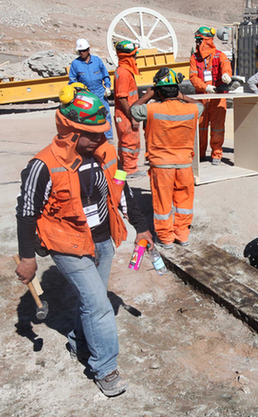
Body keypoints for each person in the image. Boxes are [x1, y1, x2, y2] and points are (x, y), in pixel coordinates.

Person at [15, 85, 154, 397]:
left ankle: (79, 342)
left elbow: (123, 190)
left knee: (92, 304)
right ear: (69, 132)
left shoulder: (106, 152)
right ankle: (105, 367)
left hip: (103, 240)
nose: (100, 139)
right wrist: (27, 258)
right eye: (92, 134)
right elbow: (26, 213)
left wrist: (141, 228)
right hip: (67, 245)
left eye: (102, 132)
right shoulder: (43, 165)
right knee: (98, 304)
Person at [131, 67, 204, 248]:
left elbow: (133, 110)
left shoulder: (152, 109)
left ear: (159, 91)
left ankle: (166, 239)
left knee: (163, 203)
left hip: (162, 165)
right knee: (184, 201)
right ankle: (183, 235)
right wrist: (182, 96)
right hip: (184, 164)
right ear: (176, 90)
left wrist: (148, 95)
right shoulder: (192, 109)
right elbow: (202, 105)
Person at [189, 26, 233, 165]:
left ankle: (216, 154)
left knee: (218, 128)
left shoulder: (219, 55)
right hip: (201, 98)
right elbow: (193, 77)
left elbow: (225, 65)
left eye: (199, 41)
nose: (197, 44)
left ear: (206, 41)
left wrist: (226, 75)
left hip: (218, 98)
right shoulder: (194, 58)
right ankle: (200, 154)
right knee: (200, 128)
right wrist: (205, 87)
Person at [69, 38, 114, 142]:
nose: (82, 53)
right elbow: (72, 81)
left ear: (89, 50)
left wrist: (107, 87)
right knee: (89, 117)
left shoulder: (97, 60)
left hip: (100, 93)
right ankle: (94, 139)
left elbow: (105, 75)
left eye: (84, 50)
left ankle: (108, 137)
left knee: (105, 114)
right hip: (87, 95)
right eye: (80, 51)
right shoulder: (75, 64)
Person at [113, 40, 145, 180]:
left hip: (125, 113)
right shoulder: (124, 73)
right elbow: (122, 98)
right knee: (129, 141)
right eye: (133, 55)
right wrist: (132, 116)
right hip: (126, 114)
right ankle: (130, 169)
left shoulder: (123, 70)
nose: (135, 58)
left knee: (126, 141)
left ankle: (125, 166)